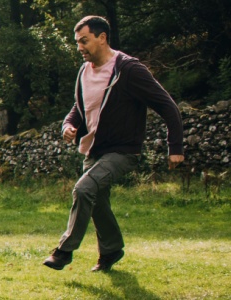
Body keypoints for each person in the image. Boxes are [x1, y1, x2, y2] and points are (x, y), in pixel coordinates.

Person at [43, 16, 184, 272]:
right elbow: (78, 106)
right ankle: (111, 250)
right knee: (97, 201)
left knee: (84, 189)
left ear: (102, 37)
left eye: (84, 41)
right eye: (77, 42)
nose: (80, 48)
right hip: (93, 149)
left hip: (122, 150)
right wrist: (68, 125)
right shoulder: (84, 71)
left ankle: (63, 252)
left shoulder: (128, 70)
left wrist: (175, 147)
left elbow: (167, 105)